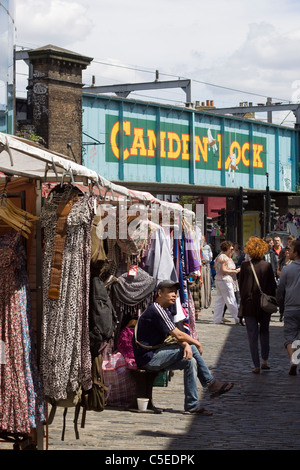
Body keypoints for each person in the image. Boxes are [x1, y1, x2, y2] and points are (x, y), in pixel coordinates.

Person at [133, 280, 234, 415]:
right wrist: (195, 343)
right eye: (170, 292)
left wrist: (186, 344)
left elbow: (175, 337)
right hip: (148, 358)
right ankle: (210, 383)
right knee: (192, 349)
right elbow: (179, 335)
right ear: (159, 293)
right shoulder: (156, 309)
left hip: (158, 355)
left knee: (190, 361)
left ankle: (192, 406)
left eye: (175, 292)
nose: (174, 295)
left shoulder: (166, 311)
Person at [238, 237, 277, 373]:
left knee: (252, 335)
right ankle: (264, 360)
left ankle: (256, 365)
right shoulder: (267, 266)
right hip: (264, 305)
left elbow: (241, 287)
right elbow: (273, 287)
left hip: (249, 305)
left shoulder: (245, 266)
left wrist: (241, 308)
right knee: (264, 332)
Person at [276, 240, 300, 376]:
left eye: (291, 250)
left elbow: (280, 289)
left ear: (296, 253)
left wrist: (279, 300)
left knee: (290, 336)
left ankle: (293, 360)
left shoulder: (287, 269)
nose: (288, 252)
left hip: (291, 306)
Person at [213, 241, 240, 324]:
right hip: (225, 280)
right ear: (228, 248)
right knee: (231, 299)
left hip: (219, 279)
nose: (232, 249)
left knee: (220, 300)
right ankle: (238, 318)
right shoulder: (224, 258)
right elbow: (223, 270)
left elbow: (215, 267)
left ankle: (217, 319)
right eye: (231, 248)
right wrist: (234, 271)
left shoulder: (220, 256)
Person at [277, 246, 293, 321]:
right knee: (281, 298)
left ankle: (288, 314)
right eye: (286, 251)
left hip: (291, 283)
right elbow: (278, 271)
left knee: (289, 299)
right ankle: (281, 313)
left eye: (288, 251)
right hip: (282, 282)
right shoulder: (281, 261)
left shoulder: (293, 261)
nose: (287, 252)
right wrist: (282, 274)